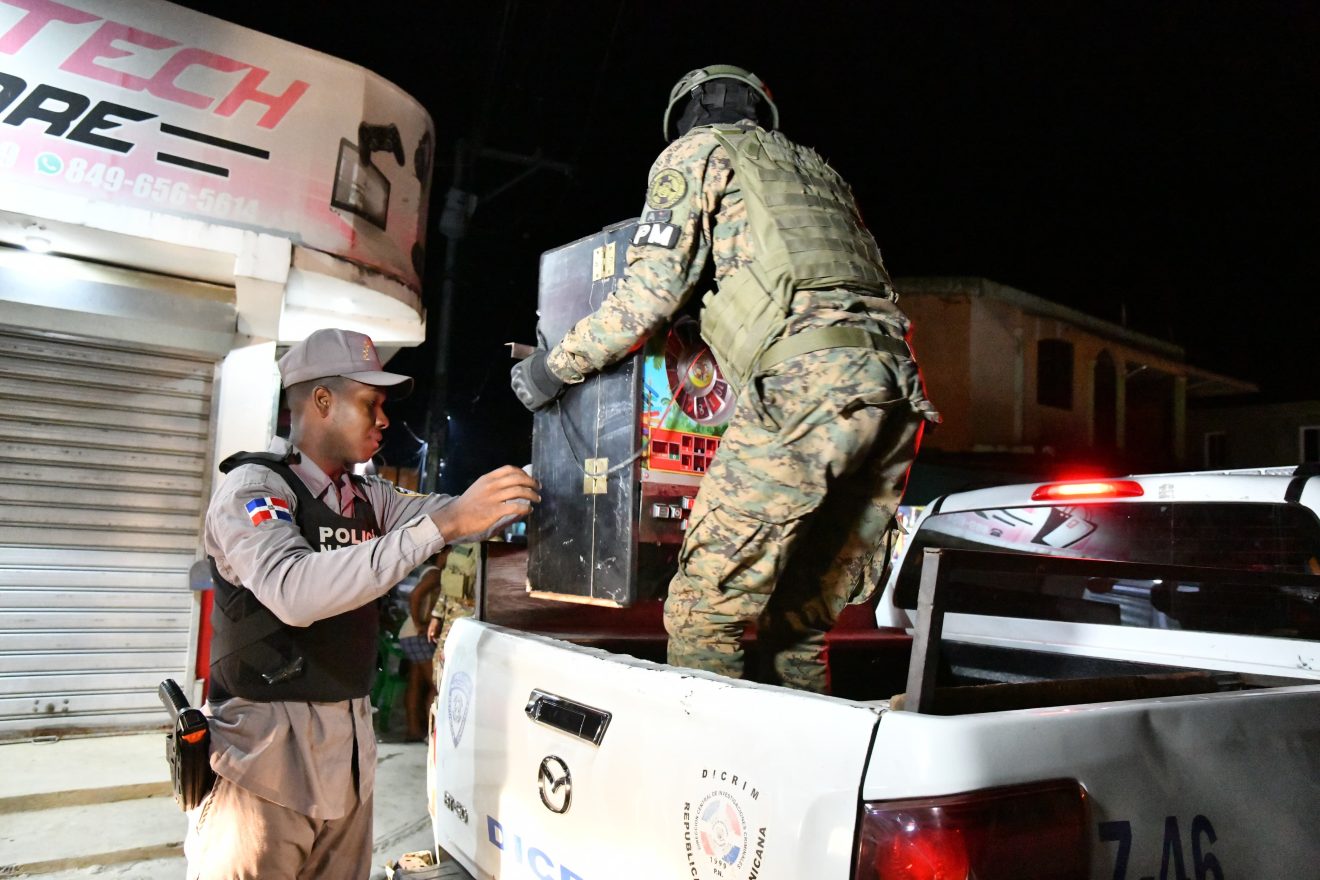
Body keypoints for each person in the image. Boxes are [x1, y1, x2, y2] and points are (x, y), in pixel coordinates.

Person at [511, 64, 940, 693]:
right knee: (798, 623)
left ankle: (702, 777)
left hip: (806, 380)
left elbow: (650, 293)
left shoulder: (697, 153)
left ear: (688, 114)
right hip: (896, 394)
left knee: (702, 611)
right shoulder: (821, 175)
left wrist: (552, 368)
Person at [188, 328, 539, 879]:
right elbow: (295, 591)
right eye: (370, 403)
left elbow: (462, 515)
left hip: (347, 763)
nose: (384, 419)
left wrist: (534, 486)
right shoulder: (255, 489)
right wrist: (443, 524)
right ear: (322, 402)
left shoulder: (370, 497)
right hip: (264, 764)